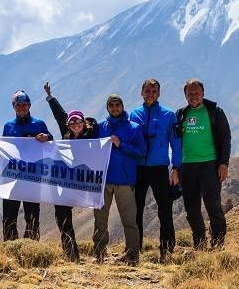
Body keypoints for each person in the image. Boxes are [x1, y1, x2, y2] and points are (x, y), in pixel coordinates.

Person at [173, 78, 231, 249]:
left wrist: (224, 163)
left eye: (196, 93)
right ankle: (199, 245)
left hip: (209, 166)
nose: (193, 96)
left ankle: (218, 245)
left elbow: (226, 138)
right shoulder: (181, 114)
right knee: (192, 211)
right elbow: (175, 141)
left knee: (213, 207)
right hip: (187, 167)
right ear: (185, 96)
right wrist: (175, 168)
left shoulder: (215, 112)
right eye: (190, 94)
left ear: (203, 93)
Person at [44, 81, 98, 262]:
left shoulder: (92, 135)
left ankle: (99, 251)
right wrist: (50, 97)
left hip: (86, 181)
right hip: (65, 181)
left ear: (84, 122)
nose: (75, 124)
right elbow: (60, 115)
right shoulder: (65, 135)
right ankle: (71, 253)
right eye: (72, 121)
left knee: (100, 214)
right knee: (62, 216)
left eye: (78, 121)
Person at [129, 78, 182, 260]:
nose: (150, 94)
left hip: (159, 168)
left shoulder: (169, 115)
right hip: (138, 169)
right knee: (136, 209)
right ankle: (134, 249)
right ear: (141, 93)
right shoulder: (134, 114)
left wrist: (176, 168)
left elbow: (176, 143)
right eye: (147, 91)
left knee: (165, 209)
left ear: (159, 93)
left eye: (153, 91)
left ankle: (167, 250)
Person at [94, 94, 146, 265]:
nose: (115, 108)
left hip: (125, 181)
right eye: (112, 105)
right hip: (104, 181)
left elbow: (141, 152)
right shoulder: (101, 127)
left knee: (129, 220)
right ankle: (99, 255)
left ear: (122, 106)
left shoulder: (134, 127)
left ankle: (133, 255)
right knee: (100, 220)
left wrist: (121, 144)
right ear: (108, 108)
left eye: (118, 105)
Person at [2, 90, 53, 241]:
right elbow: (4, 148)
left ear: (30, 105)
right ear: (14, 106)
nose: (22, 107)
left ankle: (31, 247)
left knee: (32, 214)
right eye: (18, 105)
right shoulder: (8, 126)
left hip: (32, 177)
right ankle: (10, 247)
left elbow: (52, 143)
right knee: (9, 214)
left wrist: (48, 137)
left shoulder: (39, 123)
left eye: (25, 104)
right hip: (12, 177)